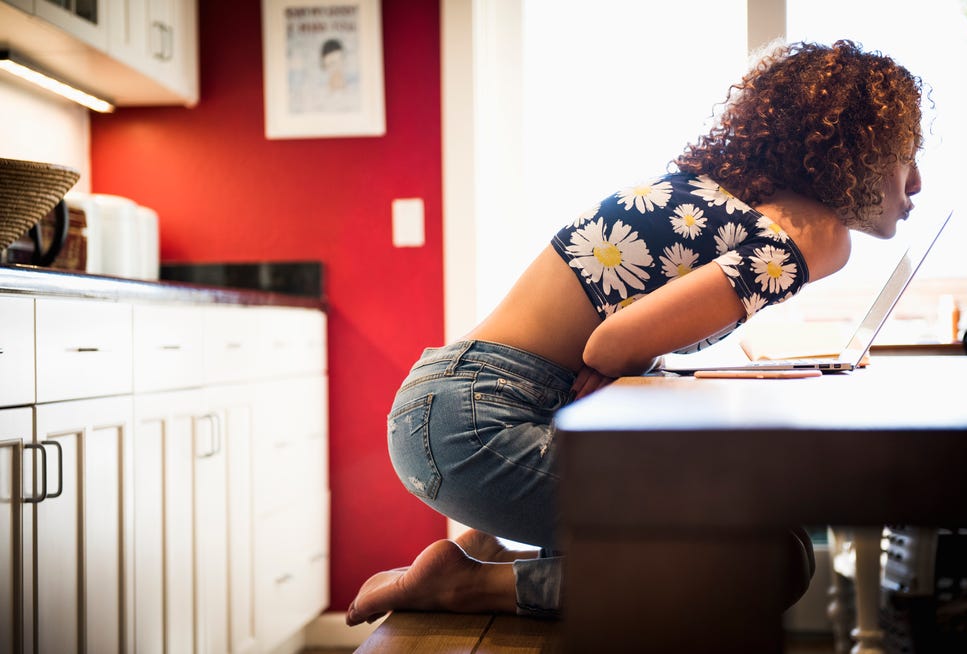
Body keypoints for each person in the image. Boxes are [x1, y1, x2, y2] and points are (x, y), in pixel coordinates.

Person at [346, 39, 924, 626]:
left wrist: (633, 356)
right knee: (770, 559)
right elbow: (609, 345)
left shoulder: (730, 201)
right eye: (907, 155)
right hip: (476, 425)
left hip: (460, 405)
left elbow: (617, 338)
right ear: (857, 154)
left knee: (787, 548)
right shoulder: (816, 234)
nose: (918, 182)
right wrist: (628, 354)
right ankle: (467, 586)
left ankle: (487, 559)